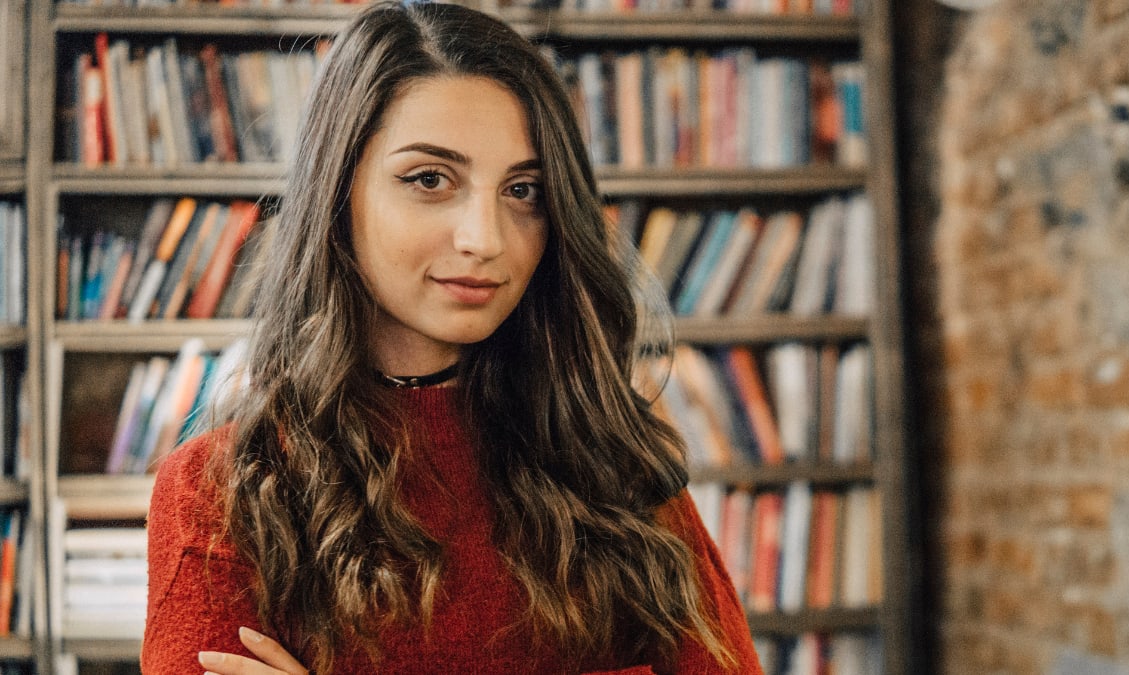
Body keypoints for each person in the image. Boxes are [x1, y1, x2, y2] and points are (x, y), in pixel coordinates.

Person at [141, 2, 762, 673]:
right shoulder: (221, 492)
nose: (486, 239)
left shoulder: (619, 468)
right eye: (430, 179)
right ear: (339, 192)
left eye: (523, 189)